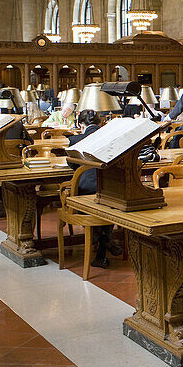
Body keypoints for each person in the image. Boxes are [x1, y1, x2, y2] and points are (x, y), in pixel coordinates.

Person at [66, 110, 120, 267]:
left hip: (85, 191)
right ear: (100, 123)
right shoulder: (111, 138)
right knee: (108, 204)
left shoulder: (75, 140)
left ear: (80, 124)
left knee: (90, 200)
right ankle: (105, 241)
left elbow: (72, 165)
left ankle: (99, 239)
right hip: (111, 190)